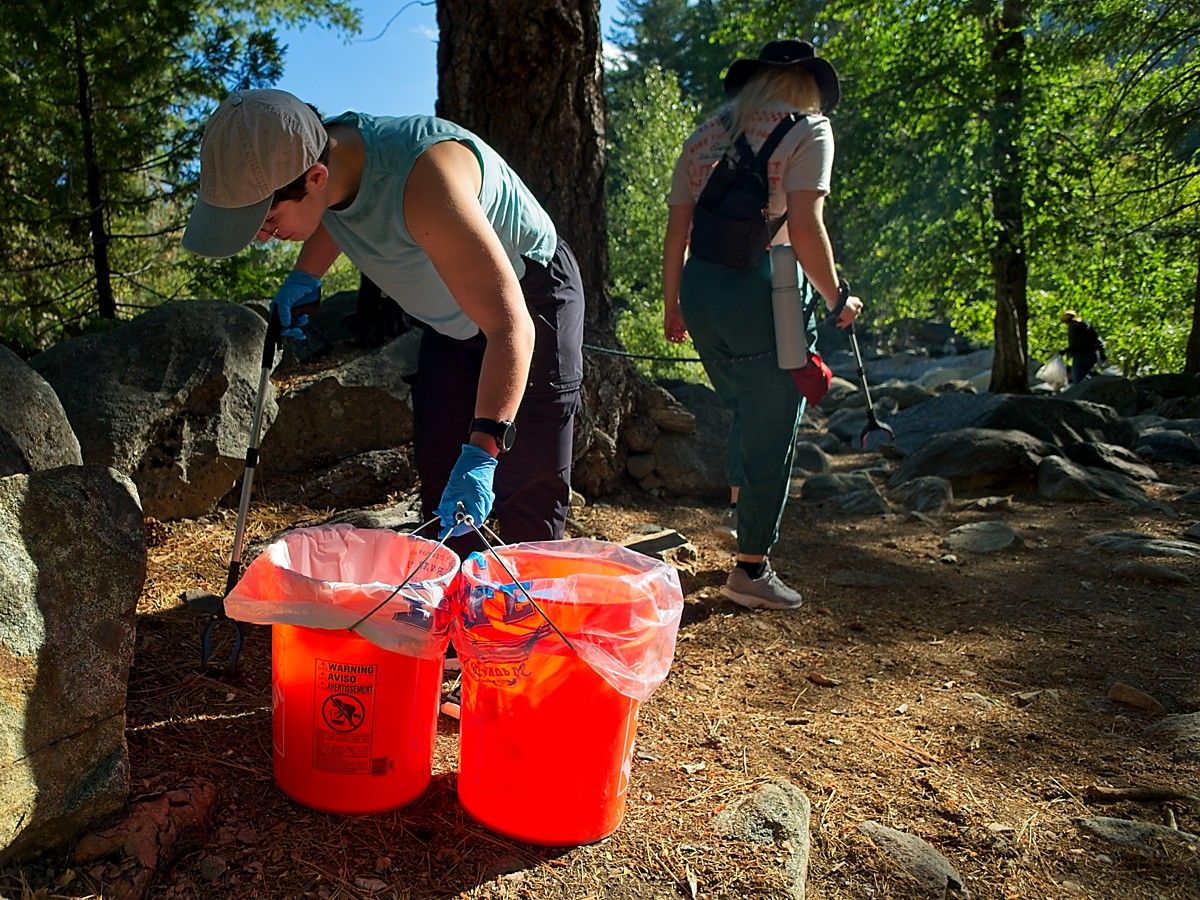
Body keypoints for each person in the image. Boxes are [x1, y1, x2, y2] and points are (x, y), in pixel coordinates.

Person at [183, 90, 584, 551]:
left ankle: (521, 609)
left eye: (269, 221)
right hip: (451, 314)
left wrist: (484, 449)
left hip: (526, 298)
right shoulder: (321, 155)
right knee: (440, 472)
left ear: (314, 177)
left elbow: (511, 328)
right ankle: (454, 605)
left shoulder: (425, 182)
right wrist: (305, 276)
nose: (262, 237)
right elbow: (335, 211)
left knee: (524, 484)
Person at [662, 39, 863, 611]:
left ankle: (737, 508)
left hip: (701, 289)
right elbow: (804, 226)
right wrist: (838, 297)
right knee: (775, 420)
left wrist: (672, 304)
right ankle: (752, 567)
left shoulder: (705, 135)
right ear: (806, 85)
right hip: (764, 288)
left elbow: (677, 233)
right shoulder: (810, 130)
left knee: (742, 403)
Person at [1060, 310, 1106, 384]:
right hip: (1092, 355)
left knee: (1078, 382)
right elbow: (1096, 340)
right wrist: (1102, 353)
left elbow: (1077, 344)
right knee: (1090, 378)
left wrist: (1065, 351)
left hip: (1080, 357)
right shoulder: (1085, 325)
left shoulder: (1073, 327)